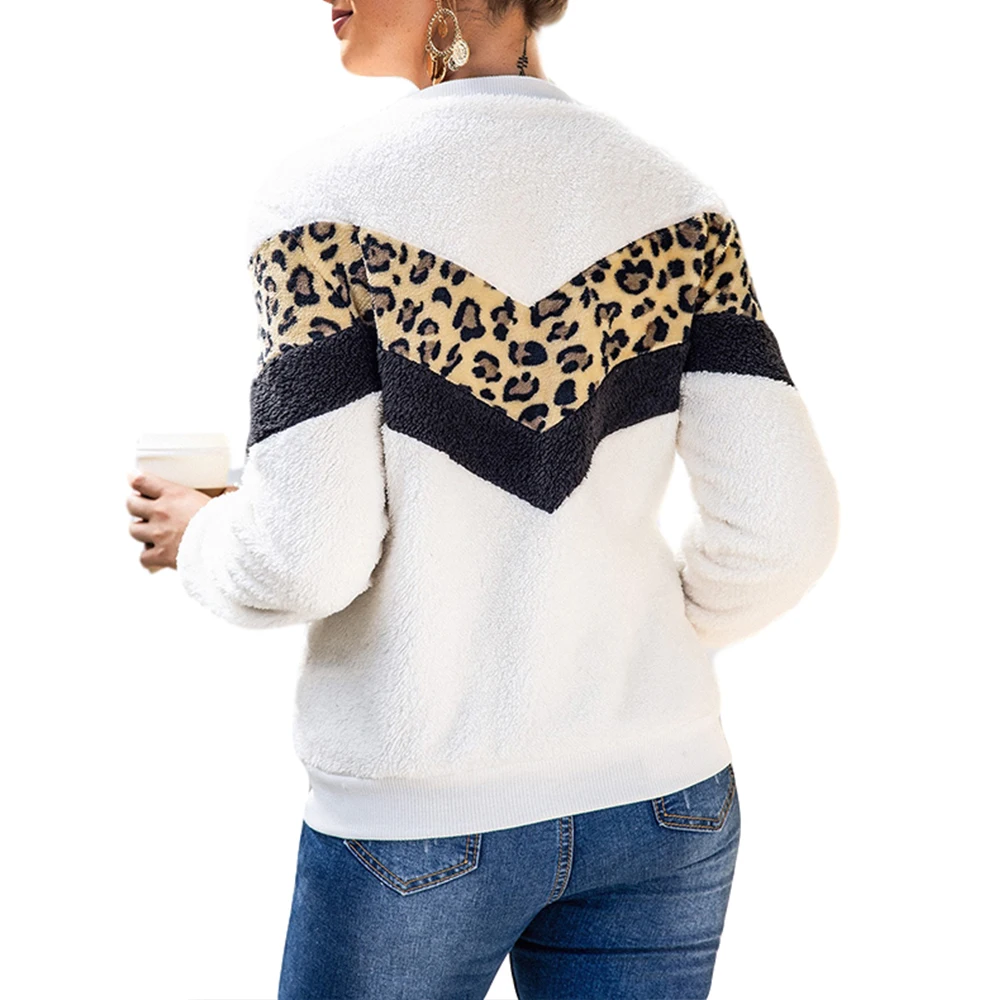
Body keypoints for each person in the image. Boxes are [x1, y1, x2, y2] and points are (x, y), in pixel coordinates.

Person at [125, 1, 840, 996]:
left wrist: (204, 532)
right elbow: (785, 528)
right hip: (664, 797)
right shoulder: (678, 207)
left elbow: (306, 559)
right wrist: (635, 642)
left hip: (422, 818)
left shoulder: (322, 210)